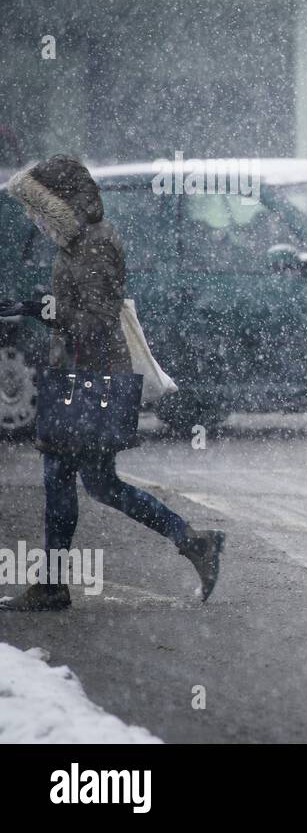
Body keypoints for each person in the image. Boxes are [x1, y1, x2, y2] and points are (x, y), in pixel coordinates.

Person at [0, 155, 224, 612]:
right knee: (95, 483)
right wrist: (35, 308)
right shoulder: (76, 244)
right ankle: (192, 541)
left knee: (68, 478)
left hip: (95, 381)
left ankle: (55, 583)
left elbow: (98, 322)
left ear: (60, 205)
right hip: (82, 377)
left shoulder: (95, 245)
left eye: (37, 209)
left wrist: (37, 308)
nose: (33, 219)